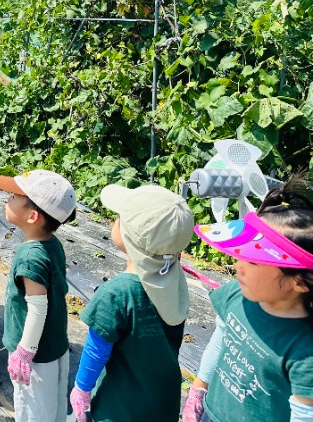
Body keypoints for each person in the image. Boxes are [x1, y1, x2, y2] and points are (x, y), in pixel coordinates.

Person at [183, 176, 313, 422]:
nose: (237, 266)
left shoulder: (305, 353)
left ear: (299, 281)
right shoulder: (236, 295)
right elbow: (220, 339)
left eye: (253, 260)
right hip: (211, 413)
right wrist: (198, 390)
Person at [68, 184, 194, 422]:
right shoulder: (175, 281)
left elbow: (96, 350)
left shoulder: (116, 294)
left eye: (118, 218)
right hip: (163, 403)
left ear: (129, 235)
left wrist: (82, 389)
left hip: (119, 408)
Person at [0, 170, 75, 422]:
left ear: (32, 216)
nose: (8, 197)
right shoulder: (52, 244)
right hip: (55, 344)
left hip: (35, 356)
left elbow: (38, 308)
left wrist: (24, 352)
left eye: (16, 196)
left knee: (33, 411)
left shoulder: (31, 256)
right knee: (53, 408)